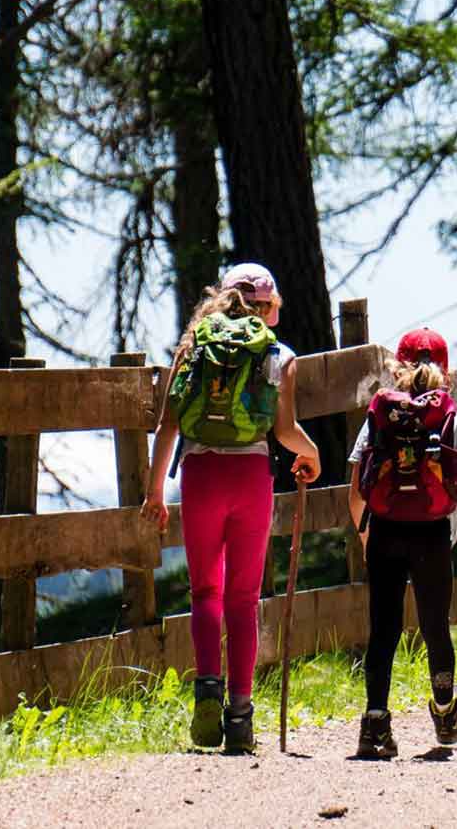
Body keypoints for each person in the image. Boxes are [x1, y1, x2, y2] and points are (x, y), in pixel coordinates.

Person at [141, 264, 322, 754]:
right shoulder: (279, 354)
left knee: (205, 592)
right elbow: (284, 431)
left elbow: (168, 426)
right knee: (243, 599)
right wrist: (311, 454)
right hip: (250, 479)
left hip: (200, 475)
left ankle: (206, 690)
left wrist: (155, 491)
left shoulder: (194, 346)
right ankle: (240, 716)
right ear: (269, 307)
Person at [348, 328, 457, 759]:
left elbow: (357, 487)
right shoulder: (453, 420)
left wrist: (365, 534)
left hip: (385, 530)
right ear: (445, 370)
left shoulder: (379, 418)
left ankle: (375, 724)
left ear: (397, 367)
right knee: (435, 626)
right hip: (432, 534)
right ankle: (447, 712)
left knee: (384, 630)